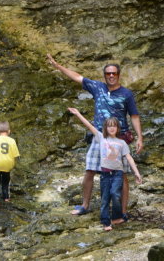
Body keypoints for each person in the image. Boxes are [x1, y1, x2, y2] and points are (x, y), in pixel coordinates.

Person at [47, 54, 143, 219]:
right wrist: (57, 66)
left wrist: (140, 137)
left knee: (123, 176)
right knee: (90, 171)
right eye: (108, 74)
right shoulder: (97, 87)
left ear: (118, 75)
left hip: (119, 139)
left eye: (114, 73)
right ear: (104, 75)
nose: (111, 76)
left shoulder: (127, 94)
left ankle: (123, 211)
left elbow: (134, 116)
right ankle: (85, 205)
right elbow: (77, 77)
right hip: (98, 136)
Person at [68, 108, 142, 230]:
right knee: (105, 198)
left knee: (115, 194)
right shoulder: (101, 138)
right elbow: (89, 126)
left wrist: (137, 173)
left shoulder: (122, 143)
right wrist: (78, 114)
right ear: (105, 128)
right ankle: (106, 223)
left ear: (118, 128)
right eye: (109, 126)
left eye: (114, 126)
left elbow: (129, 158)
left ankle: (117, 217)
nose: (111, 128)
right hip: (105, 174)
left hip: (117, 173)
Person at [0, 121, 20, 207]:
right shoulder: (12, 141)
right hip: (7, 164)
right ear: (9, 131)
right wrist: (13, 164)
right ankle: (6, 197)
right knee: (6, 182)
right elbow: (15, 155)